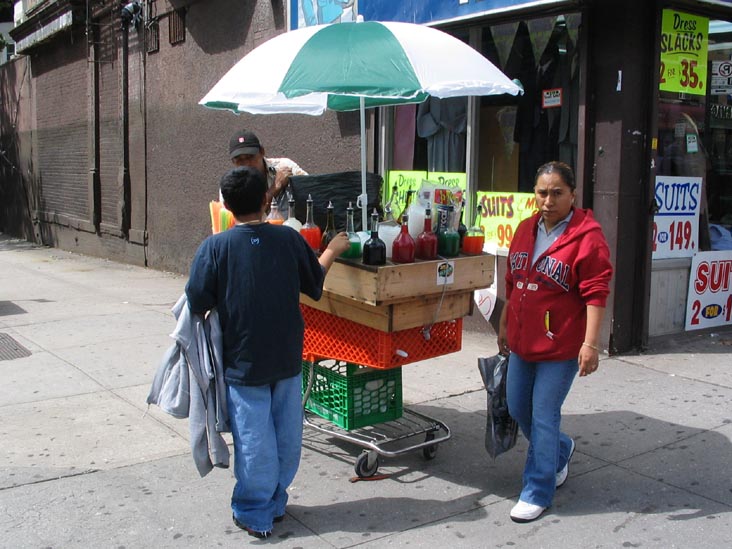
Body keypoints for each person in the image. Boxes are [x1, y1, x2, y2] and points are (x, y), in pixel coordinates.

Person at [186, 166, 349, 539]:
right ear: (266, 199)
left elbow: (196, 299)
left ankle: (262, 506)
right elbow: (315, 283)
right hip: (283, 360)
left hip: (245, 362)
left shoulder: (216, 247)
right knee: (283, 439)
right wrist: (332, 251)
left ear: (225, 205)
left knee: (257, 442)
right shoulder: (288, 240)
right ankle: (260, 506)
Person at [497, 161, 613, 523]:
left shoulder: (587, 236)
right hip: (521, 342)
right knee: (518, 409)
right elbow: (513, 281)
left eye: (557, 193)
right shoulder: (524, 229)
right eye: (542, 192)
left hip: (561, 346)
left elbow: (596, 293)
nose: (548, 200)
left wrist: (590, 344)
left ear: (573, 194)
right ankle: (561, 449)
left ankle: (537, 489)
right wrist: (503, 323)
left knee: (544, 415)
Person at [228, 129, 308, 214]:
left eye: (250, 157)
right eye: (239, 160)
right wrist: (275, 187)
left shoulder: (284, 166)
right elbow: (250, 217)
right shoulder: (231, 185)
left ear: (262, 152)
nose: (247, 163)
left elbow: (312, 191)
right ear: (233, 162)